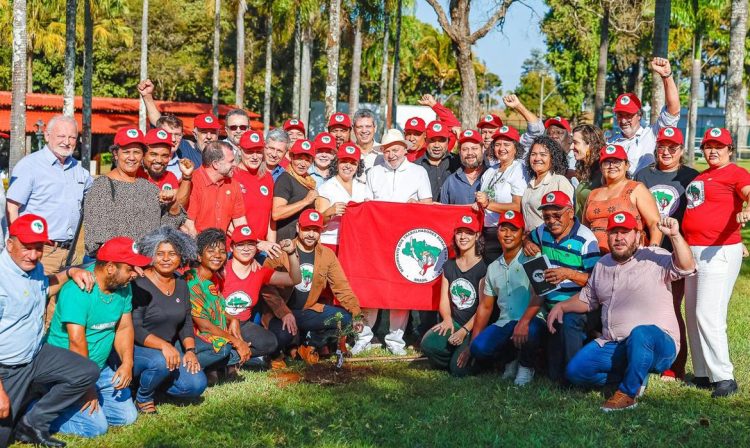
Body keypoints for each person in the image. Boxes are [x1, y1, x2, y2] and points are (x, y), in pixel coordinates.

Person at [552, 212, 695, 411]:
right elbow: (588, 299)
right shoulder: (602, 264)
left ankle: (629, 393)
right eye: (614, 232)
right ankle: (635, 371)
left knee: (641, 333)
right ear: (608, 237)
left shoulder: (655, 256)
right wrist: (561, 306)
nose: (619, 238)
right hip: (615, 343)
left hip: (658, 344)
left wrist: (675, 236)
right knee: (576, 371)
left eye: (625, 232)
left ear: (638, 235)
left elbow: (687, 267)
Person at [0, 215, 99, 447]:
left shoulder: (34, 268)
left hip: (34, 356)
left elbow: (44, 287)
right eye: (26, 248)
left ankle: (33, 423)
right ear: (9, 243)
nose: (33, 255)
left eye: (38, 248)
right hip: (5, 367)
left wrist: (70, 272)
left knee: (86, 371)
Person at [44, 237, 150, 437]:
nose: (135, 274)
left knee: (127, 417)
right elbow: (76, 342)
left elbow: (124, 327)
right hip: (69, 371)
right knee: (95, 428)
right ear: (110, 267)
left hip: (99, 368)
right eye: (130, 269)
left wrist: (127, 363)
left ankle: (70, 404)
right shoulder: (79, 290)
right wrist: (86, 387)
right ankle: (37, 409)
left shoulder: (123, 287)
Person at [682, 127, 750, 397]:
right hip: (693, 250)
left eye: (719, 146)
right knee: (692, 314)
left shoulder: (736, 173)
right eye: (708, 145)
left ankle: (724, 377)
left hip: (719, 251)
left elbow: (748, 193)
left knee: (708, 313)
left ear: (729, 149)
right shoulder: (703, 176)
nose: (712, 150)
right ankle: (702, 373)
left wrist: (747, 208)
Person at [634, 126, 698, 380]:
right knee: (643, 307)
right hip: (648, 252)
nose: (667, 151)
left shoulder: (691, 177)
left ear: (681, 150)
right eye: (662, 146)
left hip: (675, 252)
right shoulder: (643, 175)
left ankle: (676, 365)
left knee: (671, 308)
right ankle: (648, 358)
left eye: (673, 147)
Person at [362, 129, 432, 355]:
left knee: (401, 289)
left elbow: (428, 203)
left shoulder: (418, 172)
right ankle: (364, 336)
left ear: (404, 149)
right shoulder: (373, 172)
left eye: (395, 149)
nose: (391, 154)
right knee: (372, 286)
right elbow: (367, 203)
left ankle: (395, 340)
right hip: (377, 238)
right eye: (387, 150)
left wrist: (417, 205)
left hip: (406, 239)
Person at [263, 210, 363, 360]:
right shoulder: (281, 250)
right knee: (283, 336)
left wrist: (356, 314)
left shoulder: (327, 255)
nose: (311, 234)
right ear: (298, 227)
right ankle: (287, 348)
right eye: (307, 229)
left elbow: (342, 287)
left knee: (345, 318)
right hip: (281, 312)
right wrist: (283, 312)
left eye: (315, 230)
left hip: (306, 311)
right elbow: (266, 287)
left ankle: (309, 343)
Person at [130, 227, 207, 414]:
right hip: (136, 348)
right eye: (160, 254)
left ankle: (154, 384)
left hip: (167, 350)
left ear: (181, 256)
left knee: (197, 385)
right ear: (150, 255)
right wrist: (164, 346)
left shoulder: (181, 283)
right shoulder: (139, 283)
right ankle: (143, 397)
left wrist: (189, 350)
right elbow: (136, 328)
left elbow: (186, 320)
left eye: (172, 254)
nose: (166, 259)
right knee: (161, 361)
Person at [528, 191, 601, 382]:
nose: (551, 221)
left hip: (579, 306)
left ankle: (576, 377)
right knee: (553, 374)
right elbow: (527, 236)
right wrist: (526, 243)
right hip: (549, 305)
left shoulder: (586, 239)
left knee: (568, 322)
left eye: (557, 215)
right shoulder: (541, 231)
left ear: (570, 212)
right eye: (546, 216)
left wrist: (568, 274)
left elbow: (597, 282)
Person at [6, 114, 93, 274]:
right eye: (61, 136)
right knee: (38, 298)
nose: (66, 142)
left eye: (72, 137)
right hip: (40, 251)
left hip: (71, 254)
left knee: (65, 299)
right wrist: (19, 244)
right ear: (47, 135)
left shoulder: (80, 171)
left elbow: (97, 199)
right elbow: (12, 208)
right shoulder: (29, 166)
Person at [469, 210, 547, 385]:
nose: (508, 234)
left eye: (514, 230)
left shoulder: (533, 256)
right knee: (479, 348)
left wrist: (524, 322)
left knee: (531, 331)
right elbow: (486, 307)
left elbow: (540, 294)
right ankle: (510, 359)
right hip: (505, 322)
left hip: (532, 320)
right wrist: (472, 344)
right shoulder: (493, 267)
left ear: (523, 233)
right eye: (504, 229)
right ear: (497, 232)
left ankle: (527, 366)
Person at [83, 126, 185, 257]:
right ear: (115, 153)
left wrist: (174, 205)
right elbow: (98, 238)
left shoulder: (150, 188)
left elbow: (164, 230)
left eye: (137, 152)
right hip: (116, 266)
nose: (132, 157)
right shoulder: (102, 186)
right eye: (126, 151)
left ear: (143, 155)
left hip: (146, 265)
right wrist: (130, 262)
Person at [222, 225, 300, 366]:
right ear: (232, 247)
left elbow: (294, 280)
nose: (246, 249)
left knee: (270, 343)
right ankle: (222, 359)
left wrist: (291, 253)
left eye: (250, 244)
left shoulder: (260, 272)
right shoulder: (222, 269)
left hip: (243, 324)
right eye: (240, 245)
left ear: (256, 248)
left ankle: (232, 358)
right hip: (221, 322)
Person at [421, 215, 487, 377]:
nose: (463, 237)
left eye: (468, 233)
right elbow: (444, 299)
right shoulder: (449, 265)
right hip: (455, 322)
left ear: (477, 235)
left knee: (458, 371)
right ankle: (454, 357)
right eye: (459, 232)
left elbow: (483, 307)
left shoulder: (483, 267)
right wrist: (447, 319)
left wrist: (465, 330)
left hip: (473, 326)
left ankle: (471, 358)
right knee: (428, 344)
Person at [186, 229, 252, 378]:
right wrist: (236, 342)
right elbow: (204, 325)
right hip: (196, 338)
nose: (217, 255)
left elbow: (217, 309)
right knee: (227, 350)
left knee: (251, 345)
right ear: (198, 255)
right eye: (211, 251)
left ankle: (217, 366)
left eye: (222, 252)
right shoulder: (192, 281)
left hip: (214, 334)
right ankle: (200, 367)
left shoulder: (214, 278)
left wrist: (233, 319)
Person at [583, 144, 662, 253]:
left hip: (630, 257)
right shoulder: (593, 194)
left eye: (617, 161)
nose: (612, 166)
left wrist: (653, 250)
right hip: (594, 257)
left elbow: (654, 222)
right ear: (601, 168)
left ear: (627, 165)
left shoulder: (636, 189)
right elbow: (584, 229)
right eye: (607, 162)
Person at [608, 57, 680, 175]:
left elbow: (673, 109)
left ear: (639, 115)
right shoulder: (611, 143)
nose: (624, 120)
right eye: (620, 115)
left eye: (629, 115)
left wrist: (667, 76)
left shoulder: (653, 134)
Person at [475, 125, 527, 263]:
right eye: (497, 144)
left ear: (516, 147)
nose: (501, 148)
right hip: (486, 233)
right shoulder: (489, 171)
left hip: (507, 233)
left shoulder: (519, 169)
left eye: (506, 144)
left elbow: (518, 206)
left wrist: (488, 204)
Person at [184, 141, 248, 235]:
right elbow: (188, 226)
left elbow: (240, 222)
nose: (235, 164)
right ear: (216, 164)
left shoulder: (233, 184)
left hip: (223, 247)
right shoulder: (192, 182)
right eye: (231, 161)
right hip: (198, 244)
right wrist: (204, 248)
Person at [316, 143, 371, 253]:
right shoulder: (326, 187)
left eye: (353, 163)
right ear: (337, 163)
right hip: (331, 243)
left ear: (358, 166)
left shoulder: (363, 187)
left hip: (356, 243)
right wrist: (330, 212)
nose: (348, 166)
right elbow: (317, 223)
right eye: (344, 161)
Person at [137, 79, 202, 168]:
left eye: (178, 135)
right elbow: (157, 120)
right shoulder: (149, 165)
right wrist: (147, 96)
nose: (173, 139)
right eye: (168, 134)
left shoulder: (186, 157)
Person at [233, 130, 278, 250]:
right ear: (239, 149)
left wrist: (271, 246)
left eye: (258, 152)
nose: (254, 156)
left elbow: (270, 218)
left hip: (262, 249)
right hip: (238, 248)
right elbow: (226, 221)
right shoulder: (231, 176)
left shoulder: (267, 177)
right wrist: (253, 244)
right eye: (249, 151)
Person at [521, 136, 574, 232]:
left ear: (552, 158)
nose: (537, 158)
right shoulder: (529, 183)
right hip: (530, 241)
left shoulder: (559, 181)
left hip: (550, 241)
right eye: (533, 154)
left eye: (543, 154)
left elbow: (567, 217)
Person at [272, 139, 318, 241]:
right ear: (291, 157)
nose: (303, 163)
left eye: (307, 160)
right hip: (286, 243)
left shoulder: (309, 181)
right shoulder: (285, 179)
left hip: (302, 242)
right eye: (299, 158)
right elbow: (276, 213)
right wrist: (305, 201)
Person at [139, 128, 193, 210]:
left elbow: (179, 208)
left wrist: (186, 176)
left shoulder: (170, 177)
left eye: (164, 155)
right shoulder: (135, 175)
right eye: (153, 154)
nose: (159, 160)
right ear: (143, 154)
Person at [417, 121, 461, 202]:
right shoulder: (415, 167)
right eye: (432, 140)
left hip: (453, 213)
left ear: (448, 141)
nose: (437, 145)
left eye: (441, 140)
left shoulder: (459, 162)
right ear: (426, 141)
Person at [439, 130, 484, 205]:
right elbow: (443, 212)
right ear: (459, 152)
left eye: (474, 148)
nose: (470, 153)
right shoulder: (451, 182)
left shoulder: (493, 176)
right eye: (465, 149)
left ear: (482, 150)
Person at [570, 124, 605, 219]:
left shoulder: (604, 173)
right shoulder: (586, 170)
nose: (571, 147)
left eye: (575, 143)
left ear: (590, 144)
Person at [544, 116, 577, 182]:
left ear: (570, 138)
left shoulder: (578, 159)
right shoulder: (544, 158)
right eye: (549, 134)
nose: (553, 136)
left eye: (559, 133)